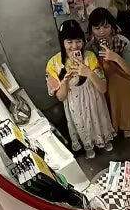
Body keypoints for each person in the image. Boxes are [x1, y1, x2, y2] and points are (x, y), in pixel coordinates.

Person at [45, 19, 115, 159]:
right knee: (83, 125)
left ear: (83, 41)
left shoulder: (90, 57)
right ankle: (88, 146)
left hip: (95, 100)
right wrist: (64, 82)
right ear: (62, 42)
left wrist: (88, 72)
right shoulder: (53, 64)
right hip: (75, 105)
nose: (74, 46)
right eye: (69, 42)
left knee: (98, 119)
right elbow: (61, 97)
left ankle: (105, 139)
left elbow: (102, 88)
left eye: (78, 41)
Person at [86, 7, 130, 138]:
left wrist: (116, 58)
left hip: (125, 77)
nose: (101, 32)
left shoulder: (122, 41)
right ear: (91, 30)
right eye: (97, 28)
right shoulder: (89, 47)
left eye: (106, 27)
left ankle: (127, 123)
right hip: (102, 79)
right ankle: (112, 124)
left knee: (119, 86)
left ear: (112, 27)